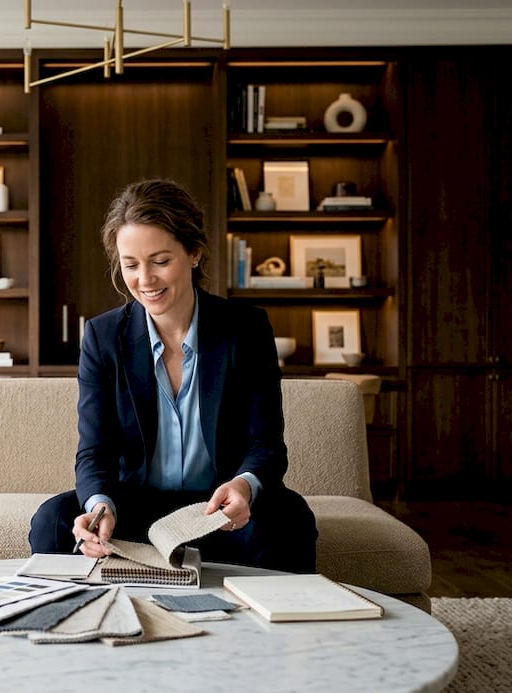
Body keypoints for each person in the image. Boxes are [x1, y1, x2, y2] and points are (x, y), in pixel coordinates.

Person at [28, 178, 317, 573]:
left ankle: (279, 628)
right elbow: (94, 450)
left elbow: (266, 443)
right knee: (54, 520)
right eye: (131, 265)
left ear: (194, 252)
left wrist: (244, 485)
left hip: (219, 507)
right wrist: (98, 507)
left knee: (289, 517)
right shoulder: (103, 336)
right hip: (136, 507)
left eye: (160, 261)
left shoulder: (245, 330)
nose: (145, 280)